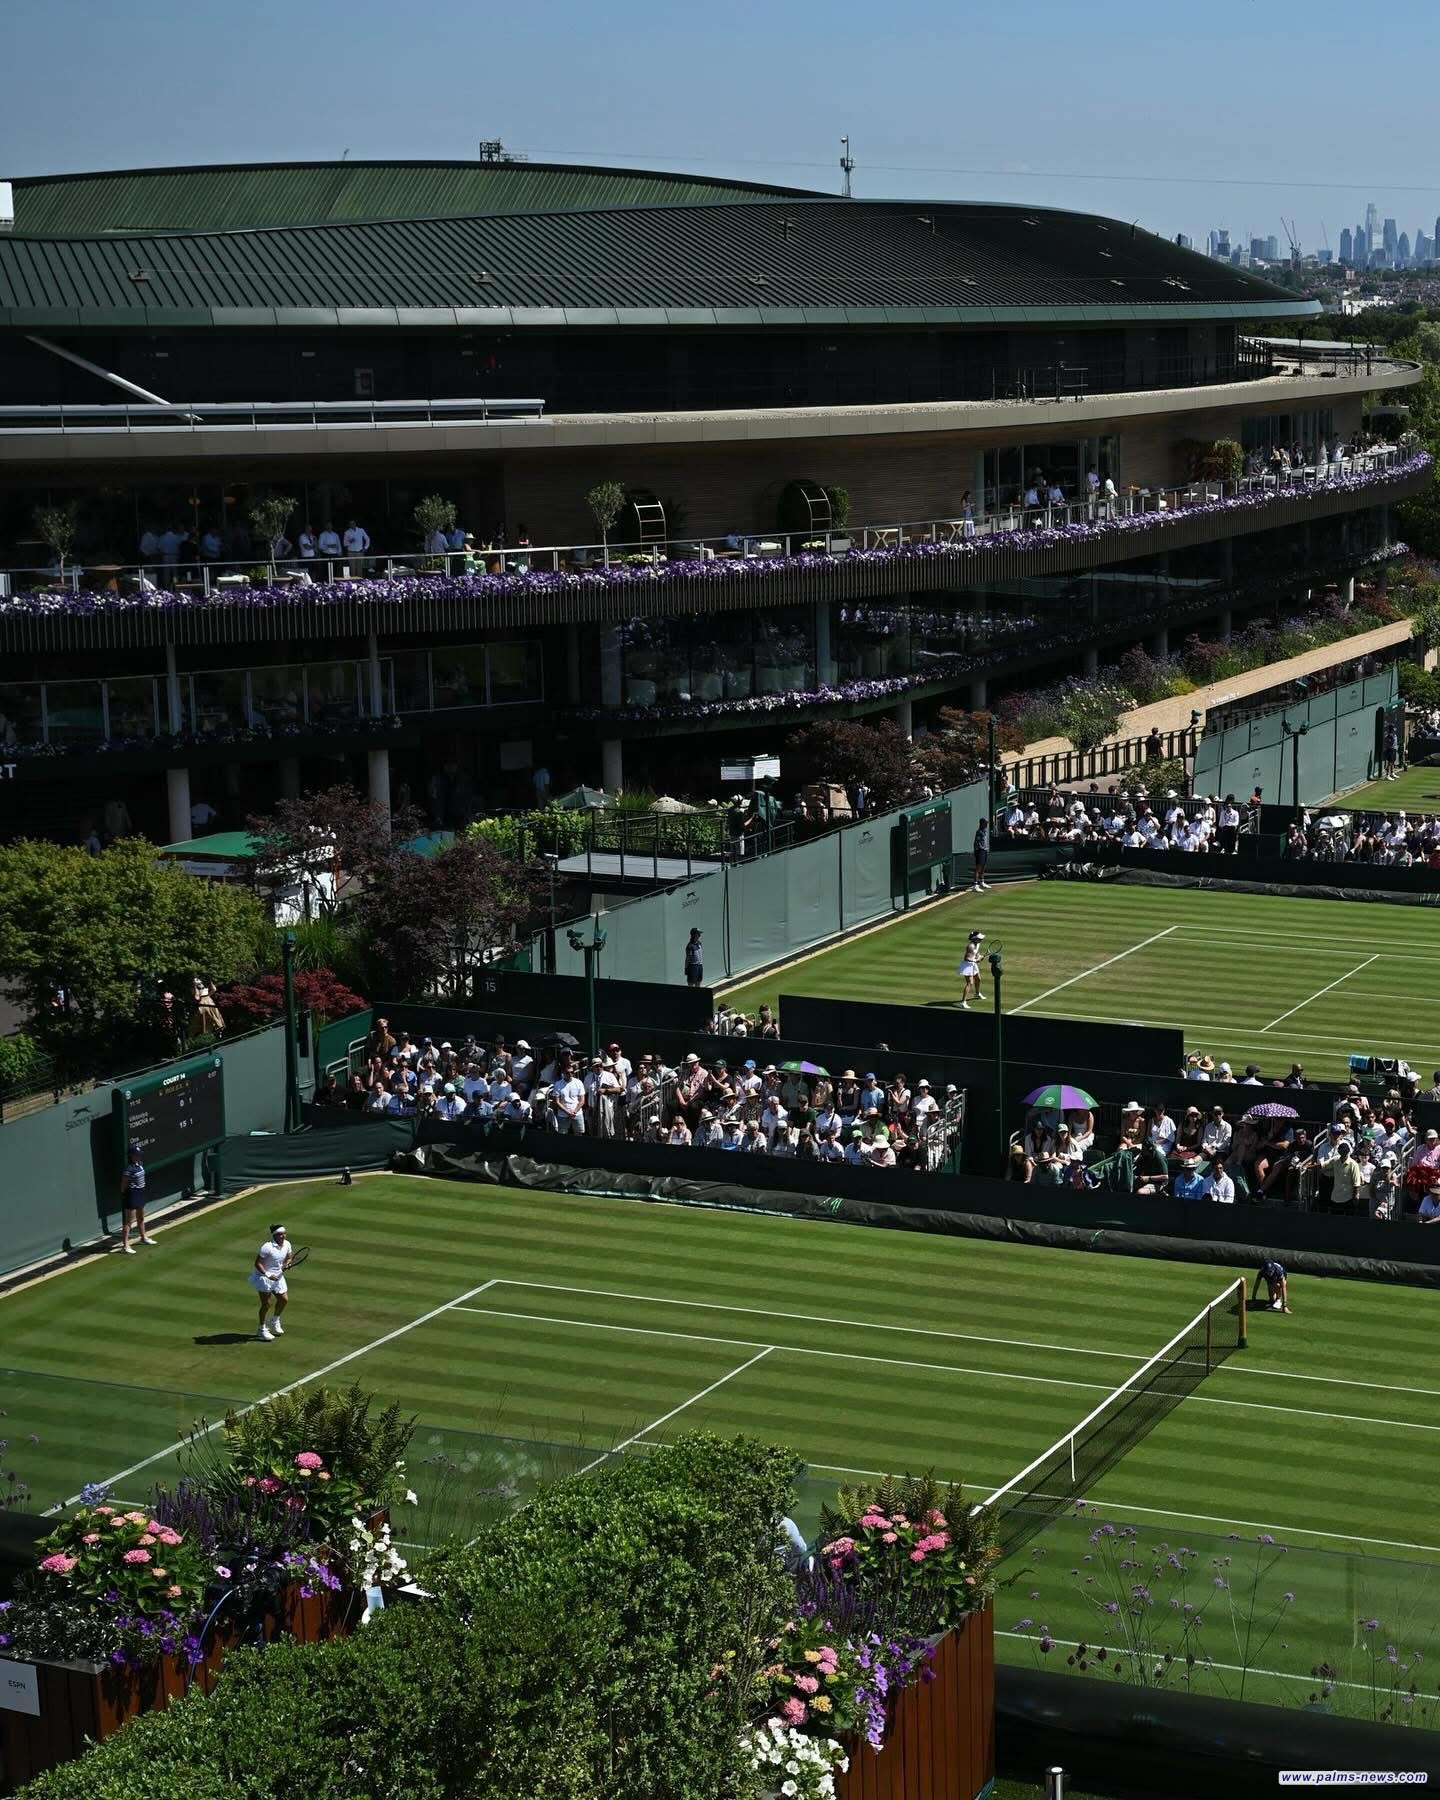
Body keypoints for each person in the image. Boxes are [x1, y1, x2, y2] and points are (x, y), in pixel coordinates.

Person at [250, 1222, 294, 1341]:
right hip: (263, 1277)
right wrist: (268, 1274)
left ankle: (275, 1320)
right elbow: (257, 1263)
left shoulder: (287, 1244)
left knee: (284, 1299)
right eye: (280, 1234)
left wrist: (287, 1263)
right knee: (266, 1304)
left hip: (278, 1276)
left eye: (284, 1233)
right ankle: (261, 1329)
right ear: (274, 1235)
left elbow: (290, 1256)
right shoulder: (267, 1247)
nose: (283, 1236)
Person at [118, 1146, 154, 1254]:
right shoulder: (129, 1169)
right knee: (128, 1222)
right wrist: (124, 1195)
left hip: (140, 1193)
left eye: (139, 1154)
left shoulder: (140, 1164)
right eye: (137, 1154)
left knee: (141, 1218)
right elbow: (124, 1183)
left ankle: (143, 1237)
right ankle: (125, 1246)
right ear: (132, 1156)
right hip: (132, 1195)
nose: (139, 1156)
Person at [958, 929, 986, 1009]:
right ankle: (963, 1002)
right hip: (967, 965)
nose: (981, 939)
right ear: (975, 939)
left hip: (972, 964)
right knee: (970, 983)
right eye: (979, 938)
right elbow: (967, 958)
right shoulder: (970, 946)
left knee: (978, 979)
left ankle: (977, 994)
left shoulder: (978, 944)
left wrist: (979, 956)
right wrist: (976, 960)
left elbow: (976, 953)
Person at [972, 815, 991, 892]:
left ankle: (982, 882)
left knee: (983, 867)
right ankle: (975, 885)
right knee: (978, 868)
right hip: (980, 851)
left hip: (985, 850)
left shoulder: (985, 831)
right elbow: (975, 843)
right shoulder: (979, 832)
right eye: (985, 823)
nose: (986, 824)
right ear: (982, 823)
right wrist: (976, 852)